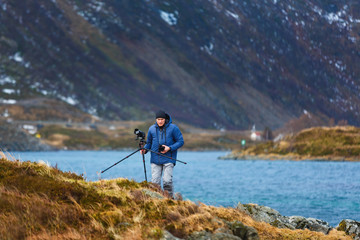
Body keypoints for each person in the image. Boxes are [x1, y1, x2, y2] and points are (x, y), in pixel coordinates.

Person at [142, 110, 184, 198]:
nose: (160, 121)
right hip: (155, 159)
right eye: (158, 119)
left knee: (167, 181)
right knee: (155, 183)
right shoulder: (152, 129)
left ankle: (169, 200)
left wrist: (169, 148)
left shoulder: (173, 128)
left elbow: (180, 141)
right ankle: (157, 200)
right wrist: (145, 150)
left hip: (169, 158)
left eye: (161, 119)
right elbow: (149, 143)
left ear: (165, 119)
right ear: (156, 120)